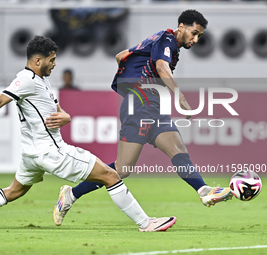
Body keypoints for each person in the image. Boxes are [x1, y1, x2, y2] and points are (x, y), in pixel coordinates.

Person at [0, 36, 176, 232]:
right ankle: (146, 223)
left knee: (13, 191)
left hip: (31, 154)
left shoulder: (42, 81)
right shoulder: (26, 79)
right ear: (38, 60)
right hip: (51, 152)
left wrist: (67, 117)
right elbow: (0, 101)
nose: (55, 64)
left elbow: (58, 112)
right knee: (110, 175)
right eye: (51, 60)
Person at [53, 9, 233, 226]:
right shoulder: (167, 40)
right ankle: (71, 195)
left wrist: (132, 79)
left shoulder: (157, 39)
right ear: (182, 26)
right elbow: (161, 66)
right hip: (138, 106)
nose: (195, 39)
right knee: (121, 170)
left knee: (178, 149)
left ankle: (203, 190)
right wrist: (180, 99)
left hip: (152, 107)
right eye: (194, 33)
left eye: (199, 36)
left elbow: (121, 56)